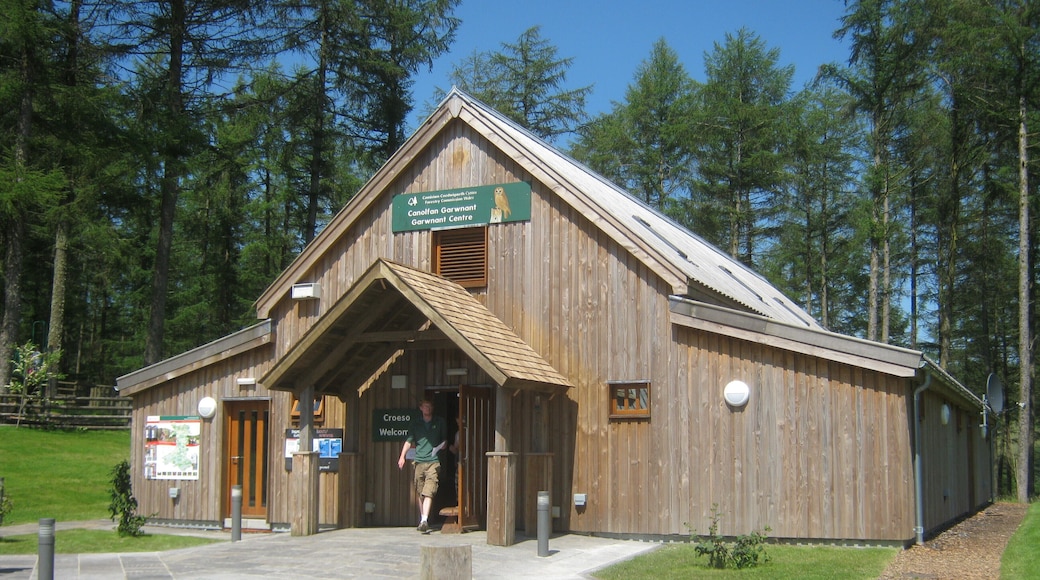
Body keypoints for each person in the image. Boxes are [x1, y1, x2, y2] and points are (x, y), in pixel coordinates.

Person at [398, 399, 446, 533]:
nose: (428, 408)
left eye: (430, 406)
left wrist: (442, 445)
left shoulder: (439, 422)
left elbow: (444, 440)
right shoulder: (415, 424)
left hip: (433, 461)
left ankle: (424, 520)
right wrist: (402, 456)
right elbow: (409, 441)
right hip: (419, 461)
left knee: (429, 490)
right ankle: (422, 519)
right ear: (421, 408)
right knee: (421, 492)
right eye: (425, 406)